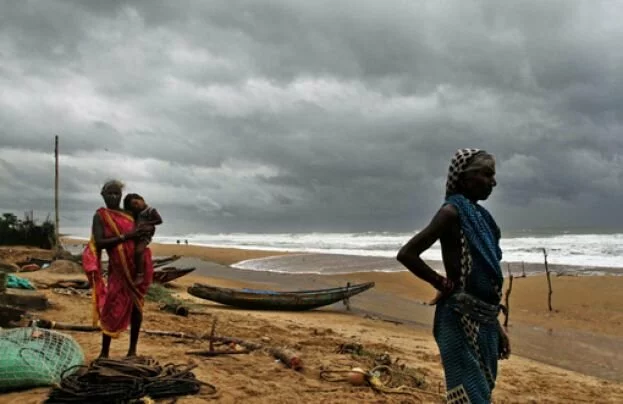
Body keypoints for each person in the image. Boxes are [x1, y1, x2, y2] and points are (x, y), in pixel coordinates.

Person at [397, 149, 510, 403]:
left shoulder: (483, 218)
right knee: (471, 396)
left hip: (485, 321)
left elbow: (487, 284)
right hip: (458, 319)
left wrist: (498, 329)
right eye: (486, 174)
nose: (493, 182)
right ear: (465, 177)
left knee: (481, 392)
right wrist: (440, 282)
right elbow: (407, 253)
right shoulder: (452, 212)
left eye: (493, 175)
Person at [82, 180, 154, 358]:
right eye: (110, 193)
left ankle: (132, 351)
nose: (113, 197)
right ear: (102, 195)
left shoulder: (130, 214)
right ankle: (104, 352)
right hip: (118, 269)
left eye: (116, 194)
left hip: (136, 267)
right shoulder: (100, 216)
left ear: (121, 196)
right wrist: (125, 236)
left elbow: (145, 230)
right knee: (111, 307)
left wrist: (144, 237)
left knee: (137, 308)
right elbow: (99, 242)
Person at [123, 193, 163, 285]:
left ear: (142, 199)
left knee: (138, 251)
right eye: (133, 206)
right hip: (136, 235)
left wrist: (147, 223)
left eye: (136, 203)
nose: (136, 206)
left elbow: (159, 220)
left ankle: (140, 274)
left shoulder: (151, 210)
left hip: (145, 236)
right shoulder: (137, 212)